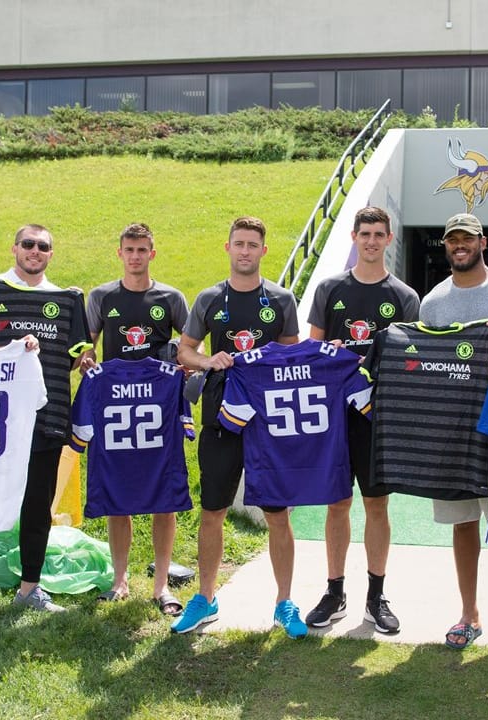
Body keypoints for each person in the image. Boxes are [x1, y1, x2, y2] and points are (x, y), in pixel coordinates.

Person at [170, 216, 305, 637]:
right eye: (238, 244)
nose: (245, 251)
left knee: (278, 515)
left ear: (264, 251)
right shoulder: (210, 298)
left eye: (253, 244)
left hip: (269, 425)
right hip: (220, 420)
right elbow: (185, 351)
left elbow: (292, 358)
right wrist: (208, 360)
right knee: (212, 512)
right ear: (227, 248)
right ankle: (205, 598)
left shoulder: (281, 300)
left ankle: (284, 603)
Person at [0, 223, 91, 628]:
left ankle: (30, 589)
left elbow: (73, 358)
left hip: (47, 419)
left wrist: (85, 363)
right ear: (14, 247)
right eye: (28, 244)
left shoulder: (68, 299)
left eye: (44, 246)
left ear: (51, 254)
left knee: (37, 509)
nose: (35, 251)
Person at [416, 213, 488, 654]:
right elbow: (424, 366)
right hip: (452, 433)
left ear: (483, 241)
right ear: (445, 246)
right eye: (453, 240)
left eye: (467, 239)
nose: (460, 246)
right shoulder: (433, 303)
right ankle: (470, 614)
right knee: (461, 524)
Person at [302, 206, 419, 634]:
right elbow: (309, 354)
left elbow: (411, 363)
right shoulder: (330, 288)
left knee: (377, 505)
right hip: (334, 418)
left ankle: (376, 596)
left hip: (377, 419)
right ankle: (335, 592)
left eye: (378, 234)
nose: (371, 241)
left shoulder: (404, 297)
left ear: (389, 239)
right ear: (353, 237)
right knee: (337, 504)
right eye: (364, 233)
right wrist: (328, 351)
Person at [77, 222, 190, 615]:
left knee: (164, 497)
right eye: (130, 249)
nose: (136, 256)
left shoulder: (171, 297)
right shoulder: (102, 296)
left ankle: (161, 586)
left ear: (152, 254)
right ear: (119, 253)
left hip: (157, 409)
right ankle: (120, 579)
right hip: (115, 409)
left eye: (143, 249)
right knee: (117, 497)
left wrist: (178, 359)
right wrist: (86, 360)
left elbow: (192, 345)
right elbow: (84, 349)